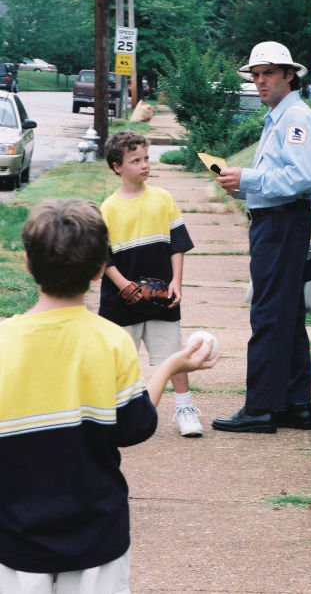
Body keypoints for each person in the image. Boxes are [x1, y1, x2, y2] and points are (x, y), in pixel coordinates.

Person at [0, 198, 218, 592]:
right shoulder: (111, 341)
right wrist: (168, 366)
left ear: (29, 265)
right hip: (96, 536)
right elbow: (133, 427)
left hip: (16, 538)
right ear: (101, 269)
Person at [212, 41, 311, 433]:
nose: (261, 81)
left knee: (268, 315)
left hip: (281, 224)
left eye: (269, 73)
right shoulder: (280, 116)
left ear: (289, 75)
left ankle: (260, 409)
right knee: (287, 315)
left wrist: (249, 178)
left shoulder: (294, 118)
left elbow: (301, 178)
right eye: (256, 75)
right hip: (278, 220)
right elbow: (283, 178)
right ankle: (296, 405)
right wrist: (241, 187)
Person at [99, 131, 203, 437]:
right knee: (116, 361)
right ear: (117, 166)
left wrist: (177, 284)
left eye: (146, 158)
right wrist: (123, 285)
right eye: (136, 160)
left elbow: (177, 245)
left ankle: (184, 408)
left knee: (173, 356)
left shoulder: (163, 199)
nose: (144, 165)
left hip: (162, 297)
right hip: (122, 300)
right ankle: (110, 414)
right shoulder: (108, 208)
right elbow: (103, 257)